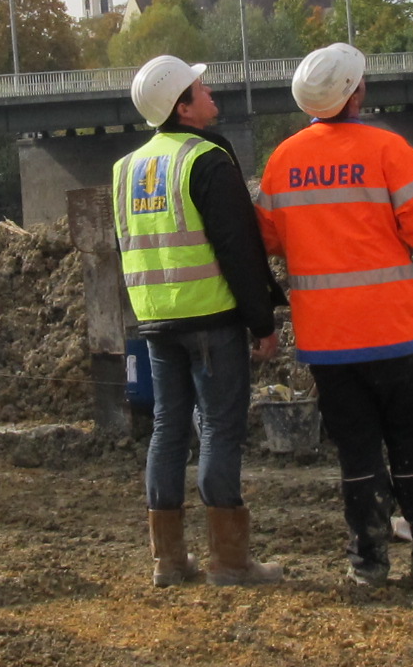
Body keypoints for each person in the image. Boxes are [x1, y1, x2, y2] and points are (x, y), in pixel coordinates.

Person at [258, 43, 413, 587]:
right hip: (393, 332)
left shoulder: (284, 159)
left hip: (326, 340)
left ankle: (368, 562)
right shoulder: (388, 149)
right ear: (356, 92)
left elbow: (269, 239)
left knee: (356, 452)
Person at [112, 55, 286, 589]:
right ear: (181, 106)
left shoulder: (127, 168)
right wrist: (263, 322)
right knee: (219, 428)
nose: (211, 93)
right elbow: (240, 248)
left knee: (168, 429)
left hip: (157, 320)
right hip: (211, 317)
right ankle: (230, 562)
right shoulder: (207, 159)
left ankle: (168, 560)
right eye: (200, 88)